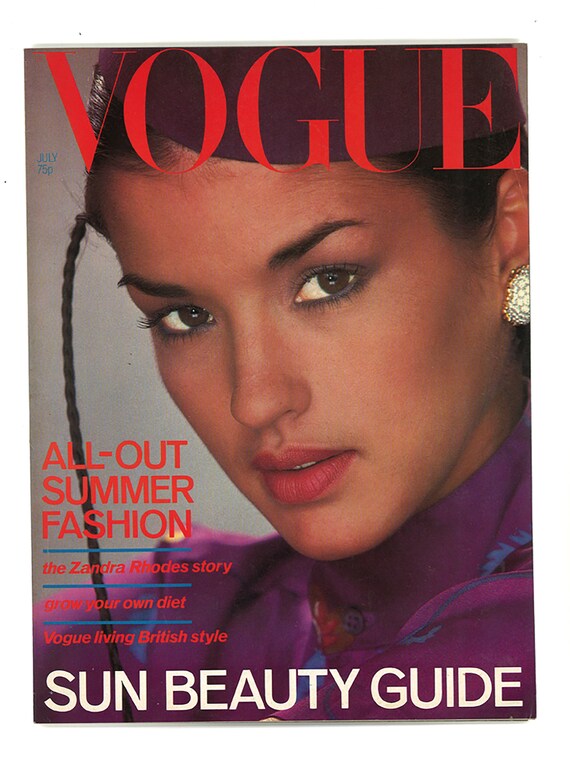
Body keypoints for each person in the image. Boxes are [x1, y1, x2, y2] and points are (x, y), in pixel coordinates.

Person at [33, 44, 533, 722]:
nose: (255, 401)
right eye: (186, 316)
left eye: (328, 281)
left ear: (511, 231)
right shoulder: (129, 648)